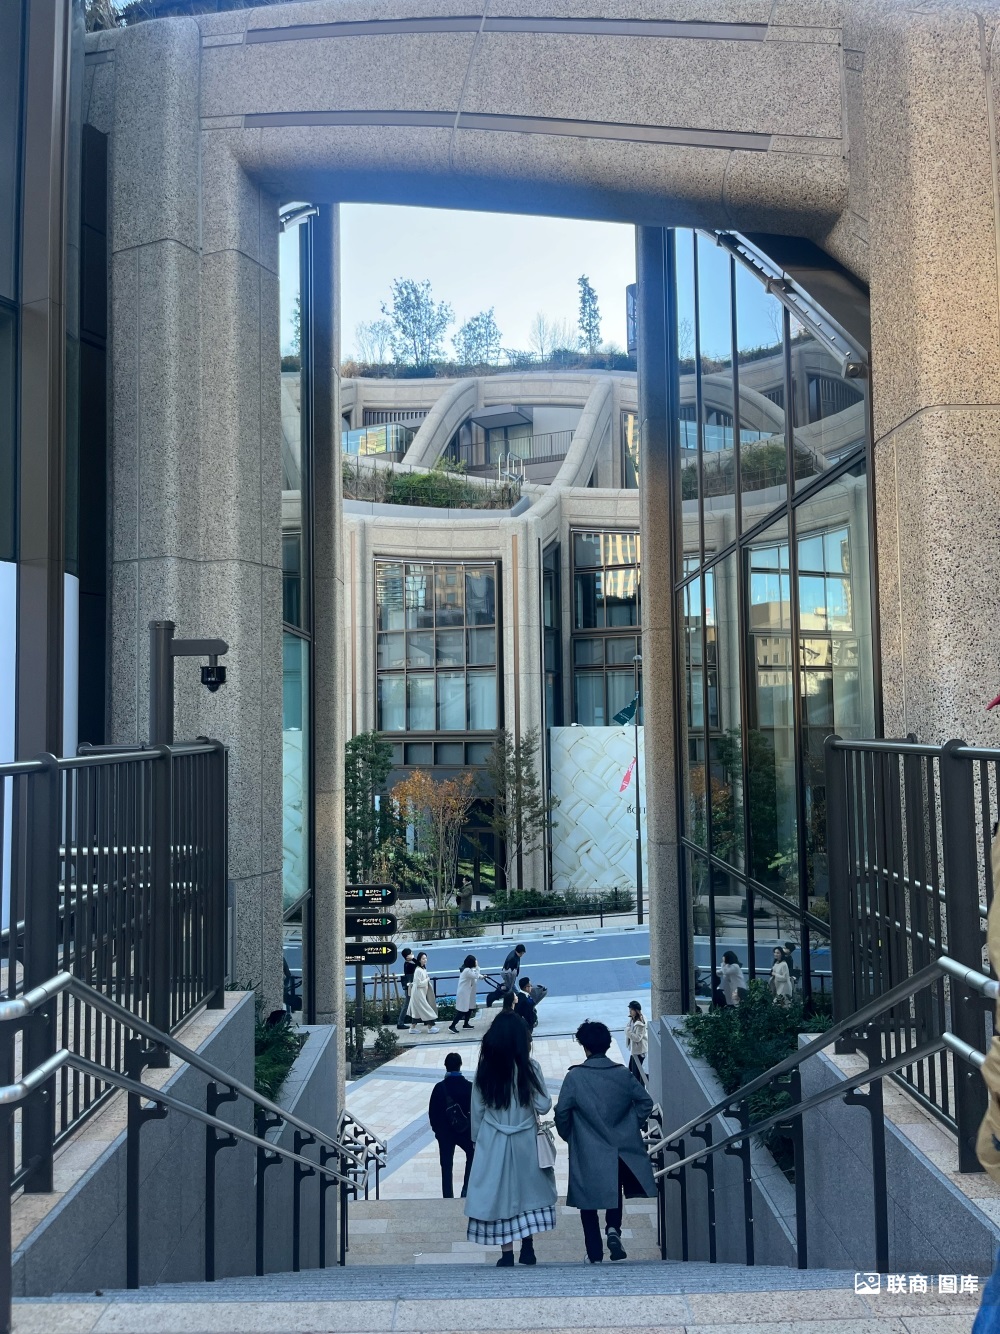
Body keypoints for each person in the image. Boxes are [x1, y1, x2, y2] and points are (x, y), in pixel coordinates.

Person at [555, 1019, 655, 1264]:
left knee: (586, 1201)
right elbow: (645, 1102)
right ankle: (613, 1229)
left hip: (587, 1147)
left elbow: (561, 1112)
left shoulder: (575, 1077)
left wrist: (570, 1135)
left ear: (585, 1046)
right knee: (615, 1188)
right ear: (608, 1045)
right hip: (619, 1147)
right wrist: (631, 1124)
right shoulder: (622, 1074)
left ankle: (595, 1253)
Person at [464, 1012, 557, 1266]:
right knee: (527, 1192)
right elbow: (544, 1105)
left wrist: (476, 1141)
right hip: (525, 1139)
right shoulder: (530, 1068)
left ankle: (506, 1254)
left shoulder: (485, 1070)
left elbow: (477, 1110)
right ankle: (528, 1247)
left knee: (500, 1194)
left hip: (493, 1139)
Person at [428, 1052, 475, 1198]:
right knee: (472, 1154)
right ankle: (466, 1189)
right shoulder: (469, 1087)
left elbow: (432, 1113)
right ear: (460, 1065)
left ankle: (448, 1196)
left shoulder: (439, 1088)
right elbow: (475, 1111)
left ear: (445, 1066)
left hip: (445, 1134)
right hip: (465, 1132)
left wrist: (438, 1132)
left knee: (446, 1165)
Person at [485, 943, 526, 1008]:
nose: (522, 955)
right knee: (510, 992)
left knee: (508, 992)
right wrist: (509, 982)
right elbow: (508, 971)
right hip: (510, 979)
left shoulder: (515, 955)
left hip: (511, 978)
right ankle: (519, 1004)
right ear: (519, 952)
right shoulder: (512, 958)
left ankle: (492, 997)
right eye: (522, 953)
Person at [408, 952, 439, 1031]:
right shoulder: (418, 970)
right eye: (423, 959)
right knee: (427, 1010)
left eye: (426, 958)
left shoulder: (422, 968)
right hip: (418, 994)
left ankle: (412, 1028)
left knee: (417, 1012)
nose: (425, 960)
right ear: (419, 960)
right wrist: (427, 979)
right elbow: (419, 984)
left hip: (420, 993)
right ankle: (430, 1027)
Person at [450, 955, 481, 1033]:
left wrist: (482, 976)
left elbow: (474, 975)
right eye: (475, 961)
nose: (476, 962)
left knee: (469, 1008)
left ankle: (466, 1024)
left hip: (467, 992)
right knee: (462, 1010)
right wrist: (477, 967)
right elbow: (475, 975)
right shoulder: (467, 970)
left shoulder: (467, 969)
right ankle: (452, 1026)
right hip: (464, 993)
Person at [624, 1001, 647, 1082]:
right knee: (633, 1070)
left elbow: (637, 1038)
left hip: (639, 1052)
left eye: (631, 1009)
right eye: (629, 1009)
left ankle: (642, 1085)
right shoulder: (632, 1019)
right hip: (635, 1051)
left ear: (636, 1010)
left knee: (637, 1073)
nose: (630, 1011)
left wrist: (627, 1031)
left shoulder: (640, 1023)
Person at [396, 948, 416, 1030]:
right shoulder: (409, 965)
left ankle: (425, 1020)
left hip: (410, 986)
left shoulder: (407, 964)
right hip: (410, 987)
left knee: (417, 1002)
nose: (412, 954)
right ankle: (400, 1022)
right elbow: (420, 966)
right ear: (407, 956)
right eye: (411, 953)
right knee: (407, 1004)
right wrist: (414, 959)